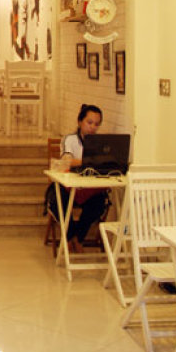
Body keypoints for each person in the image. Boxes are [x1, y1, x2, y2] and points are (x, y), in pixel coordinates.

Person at [60, 103, 108, 253]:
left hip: (89, 187)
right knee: (58, 200)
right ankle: (69, 237)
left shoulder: (100, 143)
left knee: (99, 203)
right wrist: (91, 161)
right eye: (89, 122)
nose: (93, 127)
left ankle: (78, 237)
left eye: (96, 124)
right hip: (69, 186)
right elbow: (67, 160)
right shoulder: (70, 139)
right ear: (80, 122)